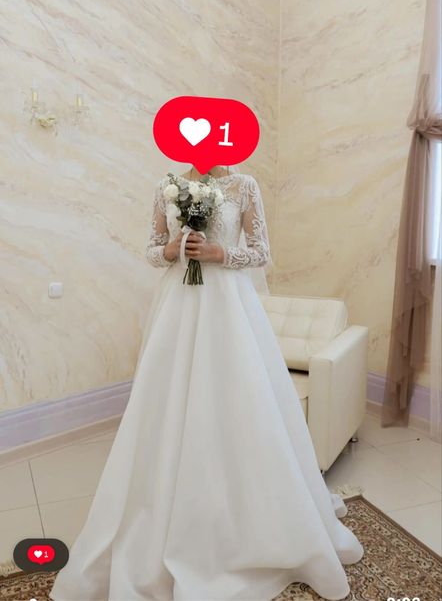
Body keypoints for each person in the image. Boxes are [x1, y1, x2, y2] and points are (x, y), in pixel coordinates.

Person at [49, 163, 364, 601]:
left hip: (228, 304)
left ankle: (251, 516)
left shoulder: (244, 185)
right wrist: (174, 248)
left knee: (236, 400)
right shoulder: (167, 186)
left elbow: (261, 252)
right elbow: (151, 249)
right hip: (177, 303)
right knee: (168, 399)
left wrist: (218, 254)